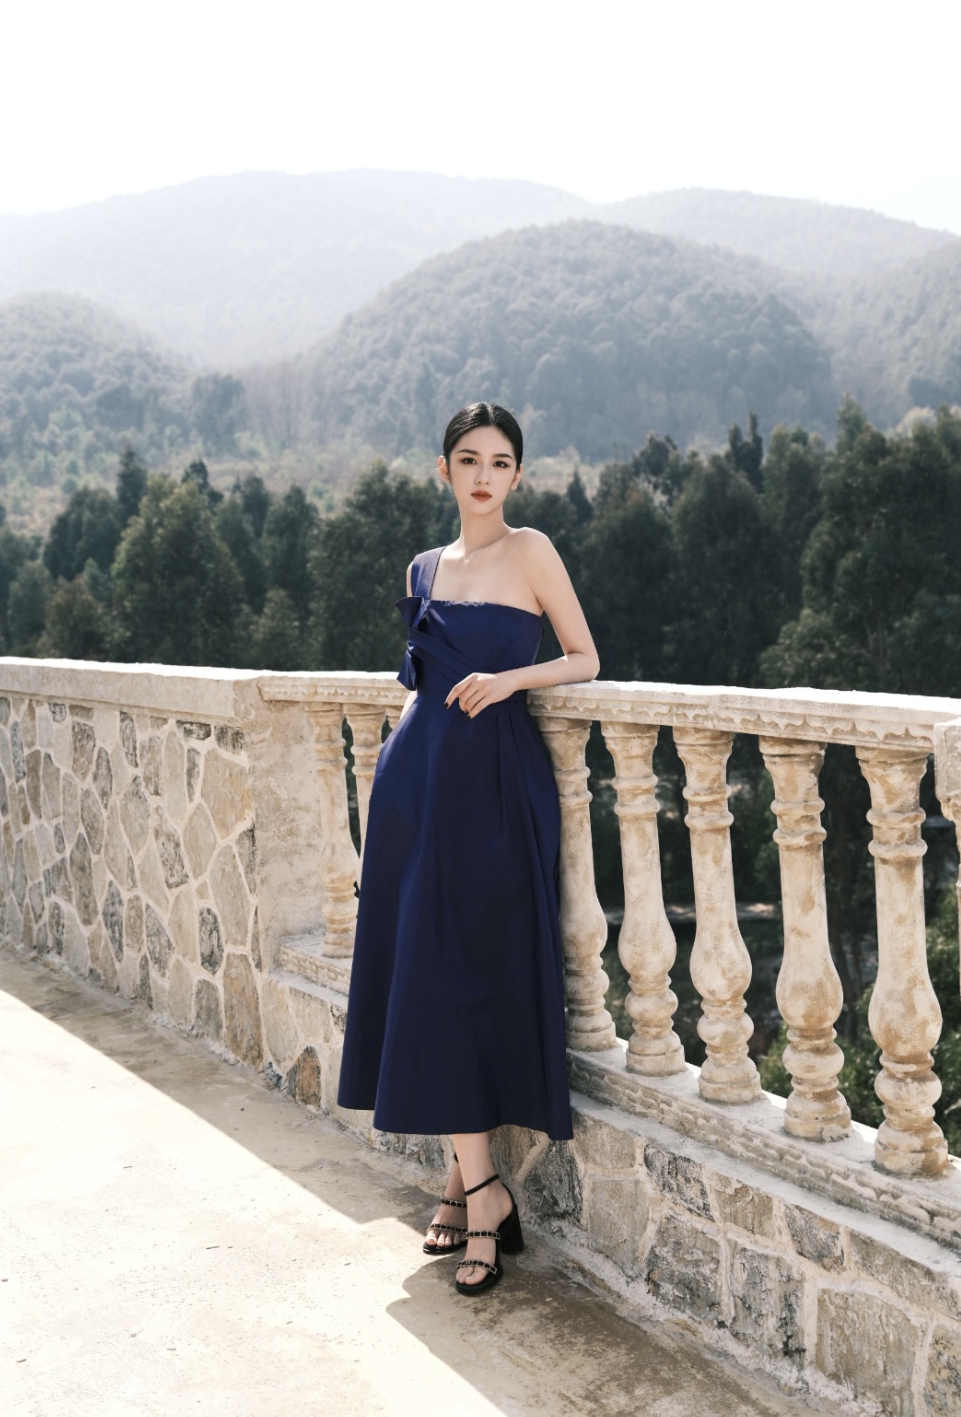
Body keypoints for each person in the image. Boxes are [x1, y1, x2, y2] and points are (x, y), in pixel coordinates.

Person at [336, 401, 600, 1295]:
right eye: (469, 459)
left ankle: (469, 1184)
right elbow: (416, 686)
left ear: (516, 475)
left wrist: (507, 679)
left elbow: (583, 657)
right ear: (443, 469)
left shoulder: (531, 551)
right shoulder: (422, 567)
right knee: (426, 971)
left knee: (475, 969)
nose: (484, 475)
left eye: (500, 462)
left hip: (494, 782)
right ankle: (479, 1187)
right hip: (415, 787)